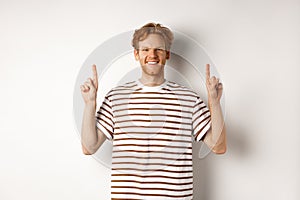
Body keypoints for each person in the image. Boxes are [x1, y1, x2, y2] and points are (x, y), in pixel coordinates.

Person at [80, 22, 226, 200]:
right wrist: (89, 104)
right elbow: (89, 147)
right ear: (136, 54)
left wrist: (214, 102)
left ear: (167, 54)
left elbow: (218, 146)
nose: (152, 55)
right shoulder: (116, 97)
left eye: (159, 49)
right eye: (146, 49)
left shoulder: (189, 99)